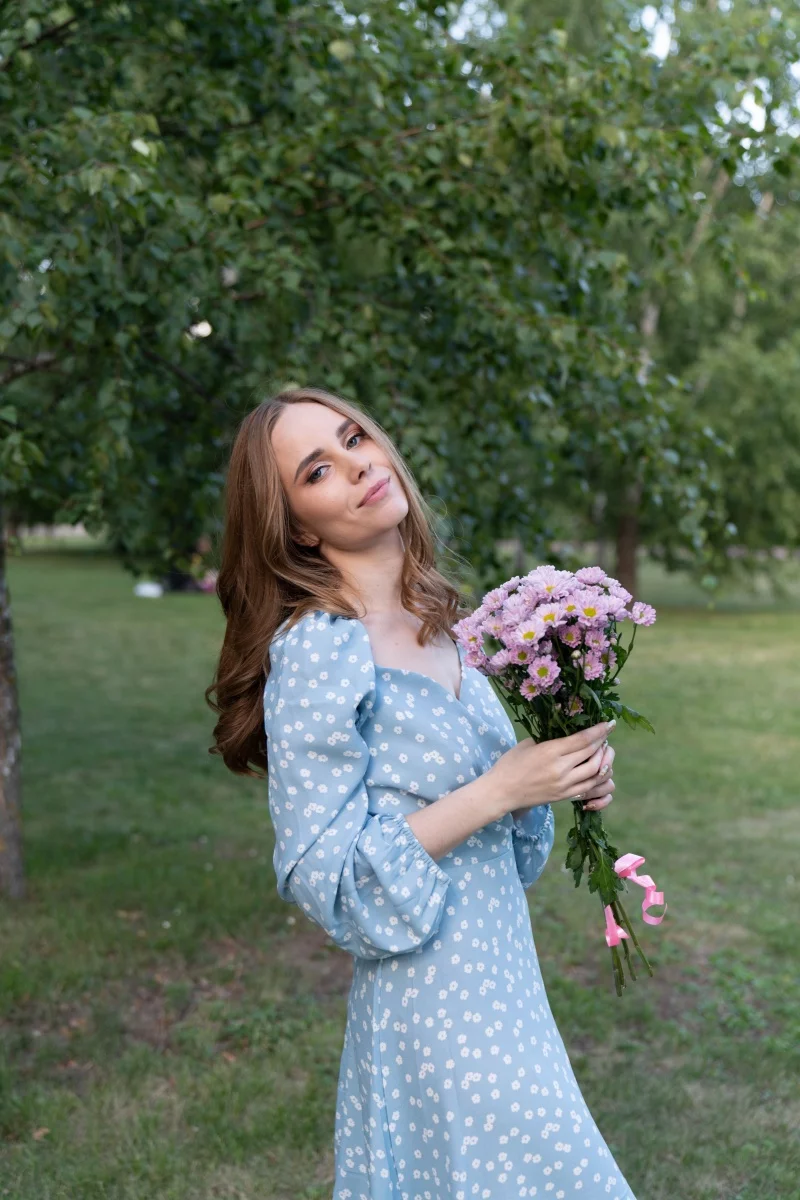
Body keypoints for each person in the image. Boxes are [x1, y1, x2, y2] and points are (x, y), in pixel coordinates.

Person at [206, 385, 635, 1200]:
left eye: (354, 438)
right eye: (317, 471)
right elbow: (326, 877)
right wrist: (499, 788)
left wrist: (554, 778)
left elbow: (507, 849)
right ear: (299, 527)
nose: (356, 465)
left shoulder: (446, 626)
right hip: (431, 1004)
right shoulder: (321, 650)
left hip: (504, 981)